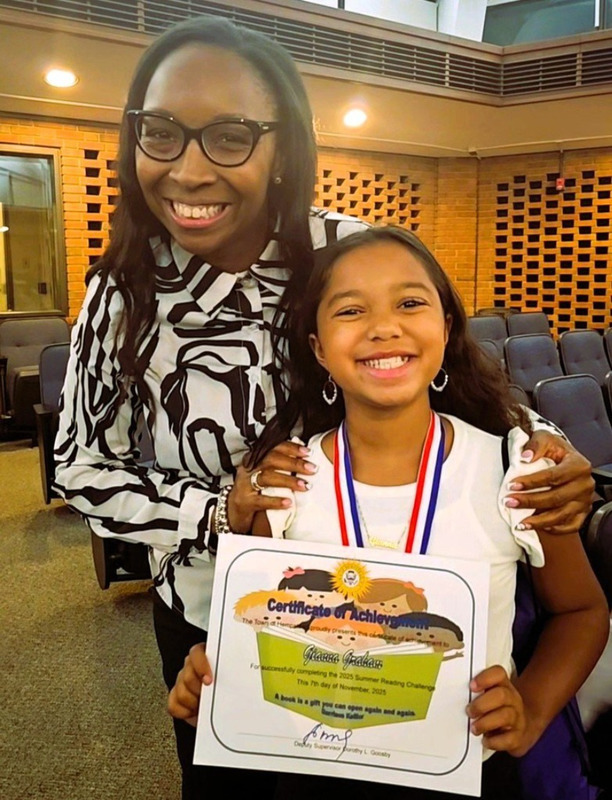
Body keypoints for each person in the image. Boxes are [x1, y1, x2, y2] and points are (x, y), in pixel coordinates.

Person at [53, 14, 595, 800]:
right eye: (162, 132)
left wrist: (544, 448)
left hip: (387, 594)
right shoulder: (121, 291)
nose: (189, 170)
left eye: (231, 137)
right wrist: (219, 513)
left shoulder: (340, 249)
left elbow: (444, 365)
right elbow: (79, 464)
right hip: (215, 611)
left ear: (282, 150)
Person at [168, 226, 609, 800]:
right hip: (318, 773)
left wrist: (532, 704)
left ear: (446, 329)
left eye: (409, 303)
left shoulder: (515, 471)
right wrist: (208, 681)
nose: (383, 327)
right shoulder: (282, 482)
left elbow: (581, 610)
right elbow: (251, 635)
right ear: (319, 347)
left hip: (466, 768)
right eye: (350, 309)